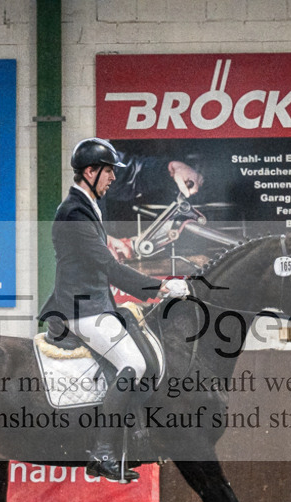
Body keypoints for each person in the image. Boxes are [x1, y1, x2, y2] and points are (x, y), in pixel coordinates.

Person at [39, 138, 189, 482]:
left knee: (142, 350)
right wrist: (161, 286)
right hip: (80, 308)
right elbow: (108, 266)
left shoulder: (90, 205)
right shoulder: (74, 211)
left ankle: (133, 438)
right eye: (108, 172)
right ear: (90, 172)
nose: (112, 179)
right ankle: (103, 452)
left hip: (95, 304)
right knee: (133, 363)